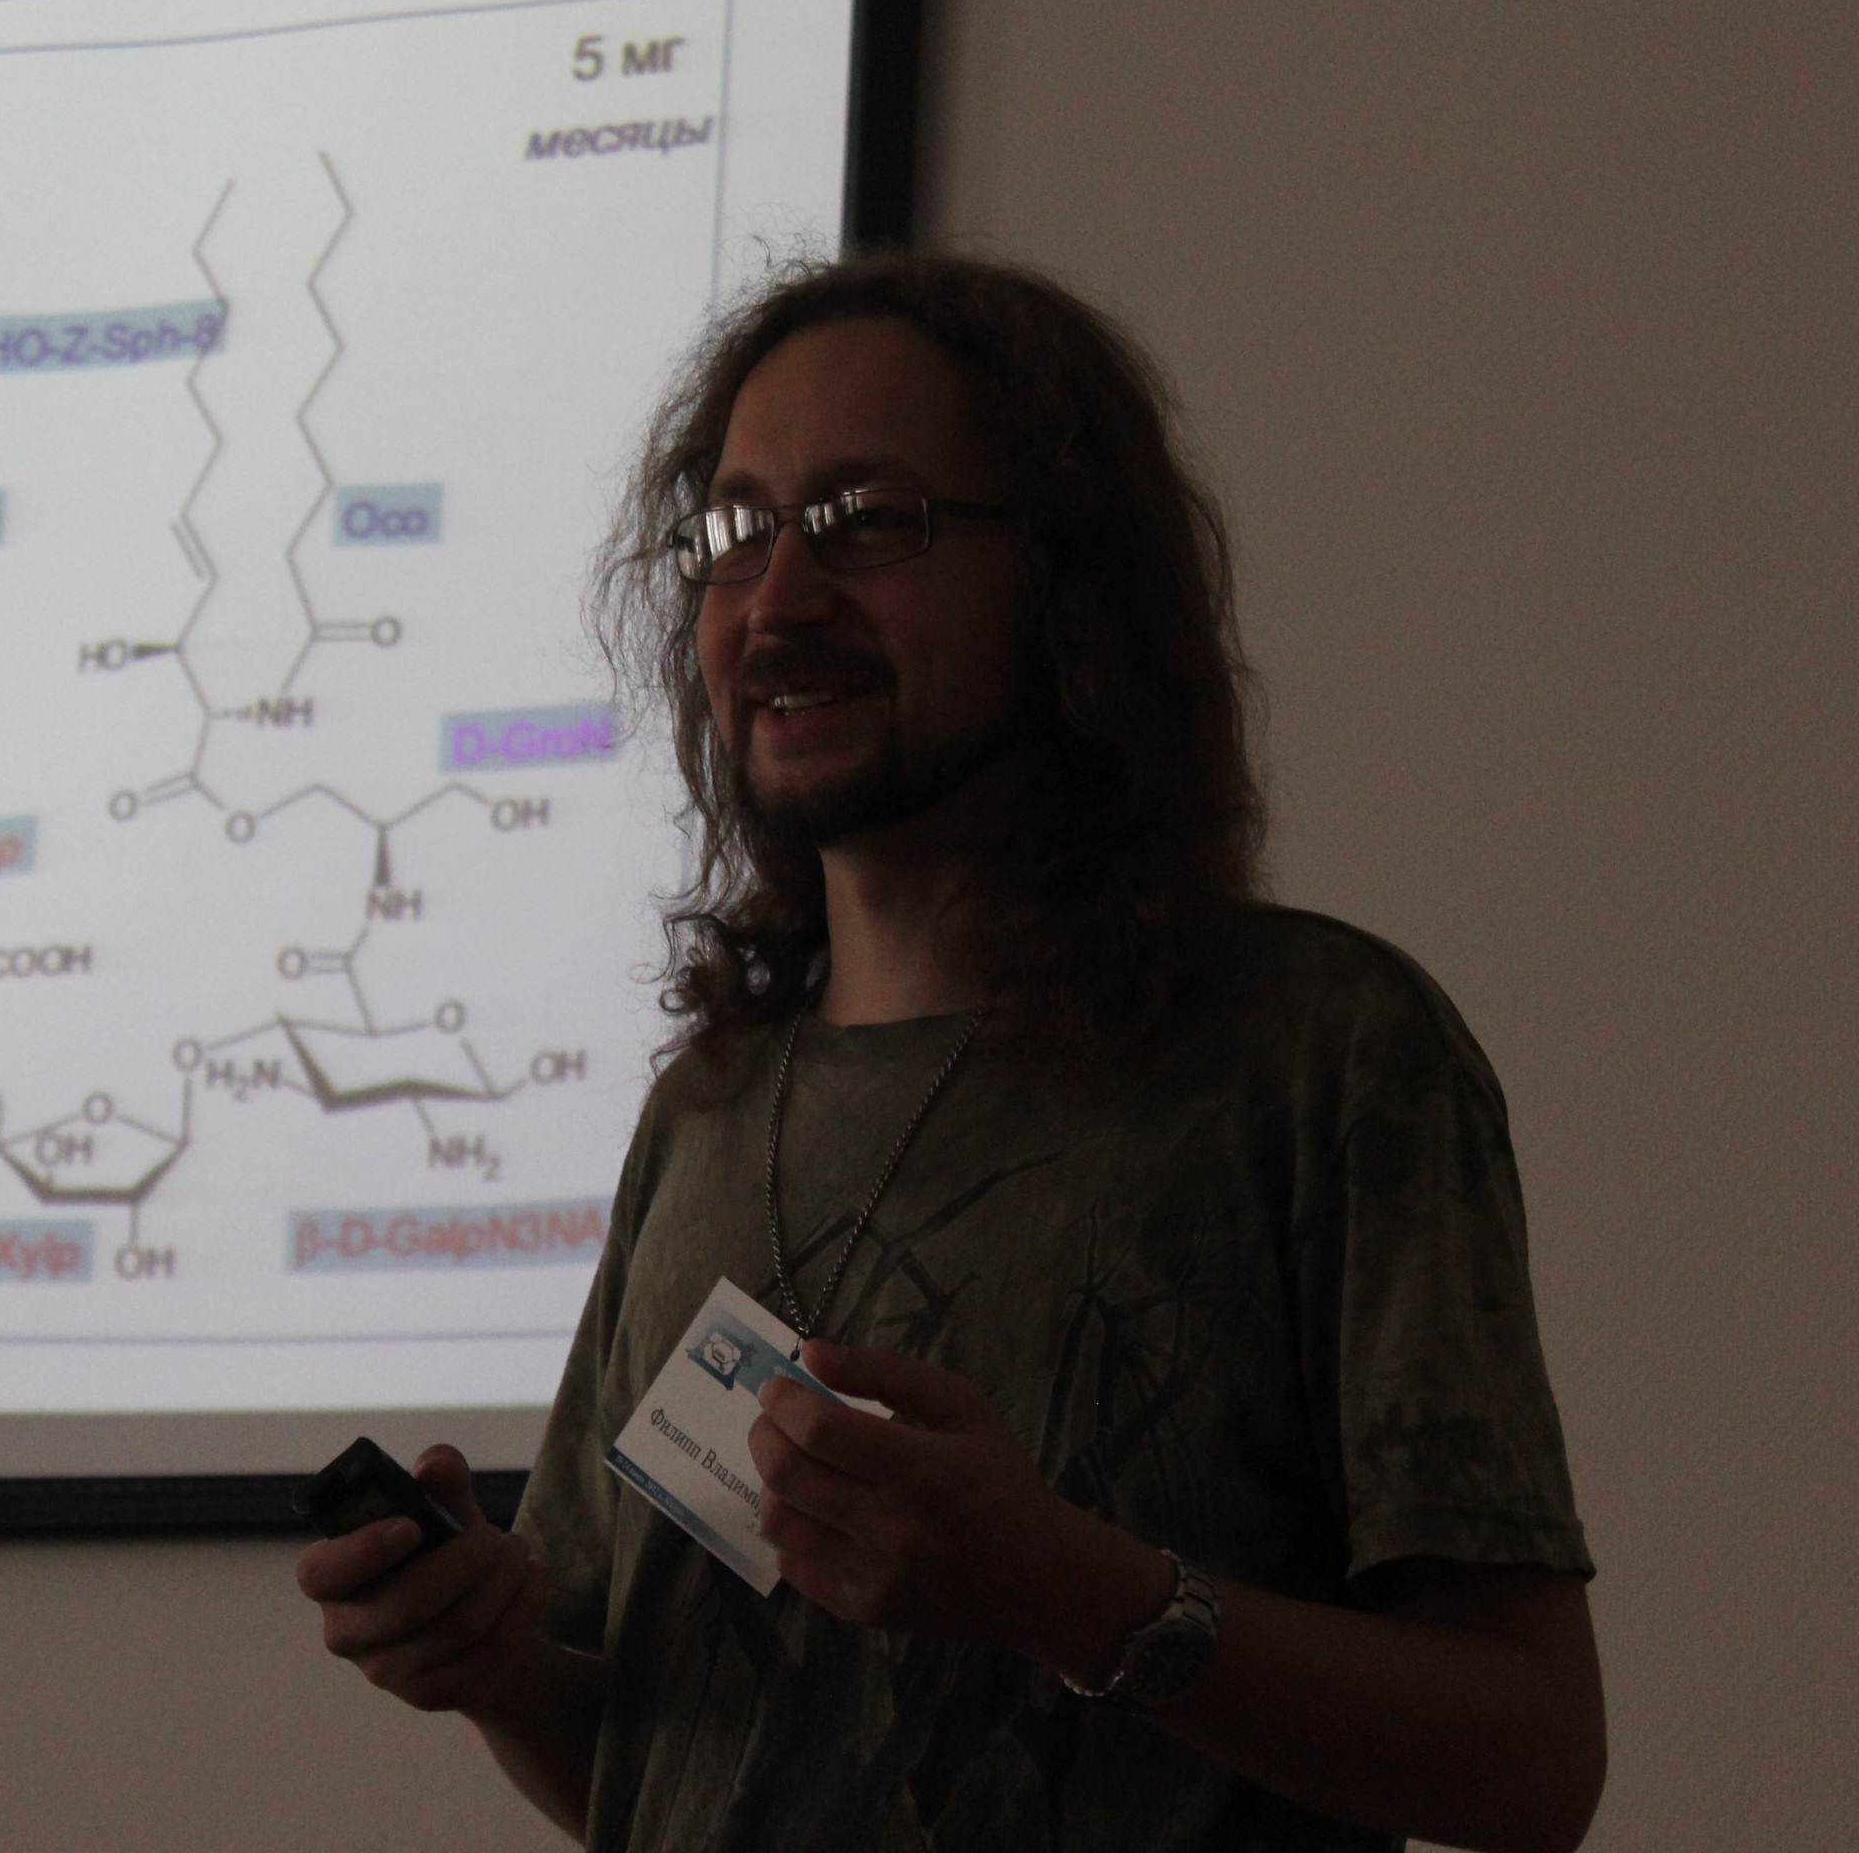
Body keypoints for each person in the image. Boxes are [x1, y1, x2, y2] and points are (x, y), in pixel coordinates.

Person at [299, 252, 1603, 1853]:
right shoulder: (706, 1113)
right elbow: (671, 1777)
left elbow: (1532, 1762)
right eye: (736, 533)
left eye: (868, 521)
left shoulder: (1322, 1055)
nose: (779, 601)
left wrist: (1068, 1589)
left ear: (1068, 582)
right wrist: (495, 1667)